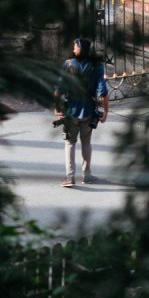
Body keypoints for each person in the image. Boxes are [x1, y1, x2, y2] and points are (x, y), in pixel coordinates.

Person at [54, 37, 109, 187]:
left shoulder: (68, 64)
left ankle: (70, 177)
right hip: (89, 112)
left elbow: (58, 90)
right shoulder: (97, 66)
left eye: (75, 47)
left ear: (81, 49)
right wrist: (106, 111)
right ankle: (87, 174)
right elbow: (102, 91)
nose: (73, 49)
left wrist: (57, 108)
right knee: (86, 142)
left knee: (70, 143)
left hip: (71, 111)